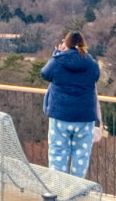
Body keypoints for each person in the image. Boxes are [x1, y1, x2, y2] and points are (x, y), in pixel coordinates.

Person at [41, 31, 101, 178]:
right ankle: (75, 191)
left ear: (65, 44)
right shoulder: (91, 64)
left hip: (60, 116)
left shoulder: (58, 61)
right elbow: (96, 77)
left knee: (58, 154)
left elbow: (45, 73)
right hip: (85, 118)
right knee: (81, 157)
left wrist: (57, 53)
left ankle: (58, 191)